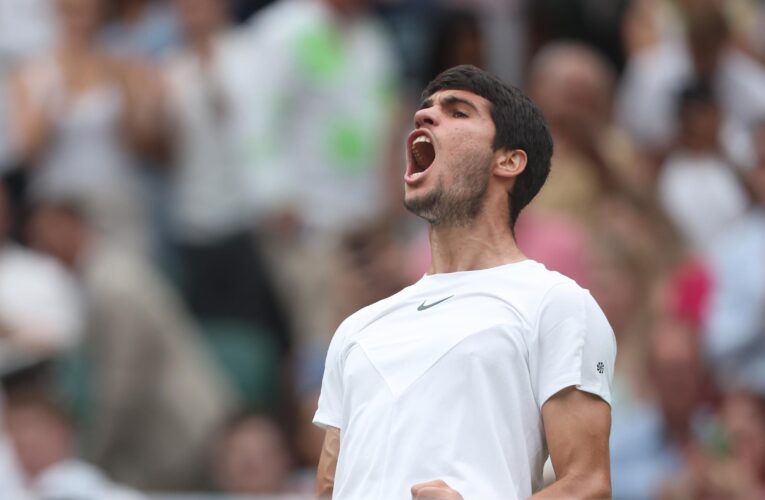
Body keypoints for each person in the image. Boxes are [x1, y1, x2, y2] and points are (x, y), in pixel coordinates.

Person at [313, 65, 616, 499]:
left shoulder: (556, 304)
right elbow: (327, 489)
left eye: (457, 112)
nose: (425, 117)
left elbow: (588, 484)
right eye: (425, 109)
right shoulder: (358, 327)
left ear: (508, 160)